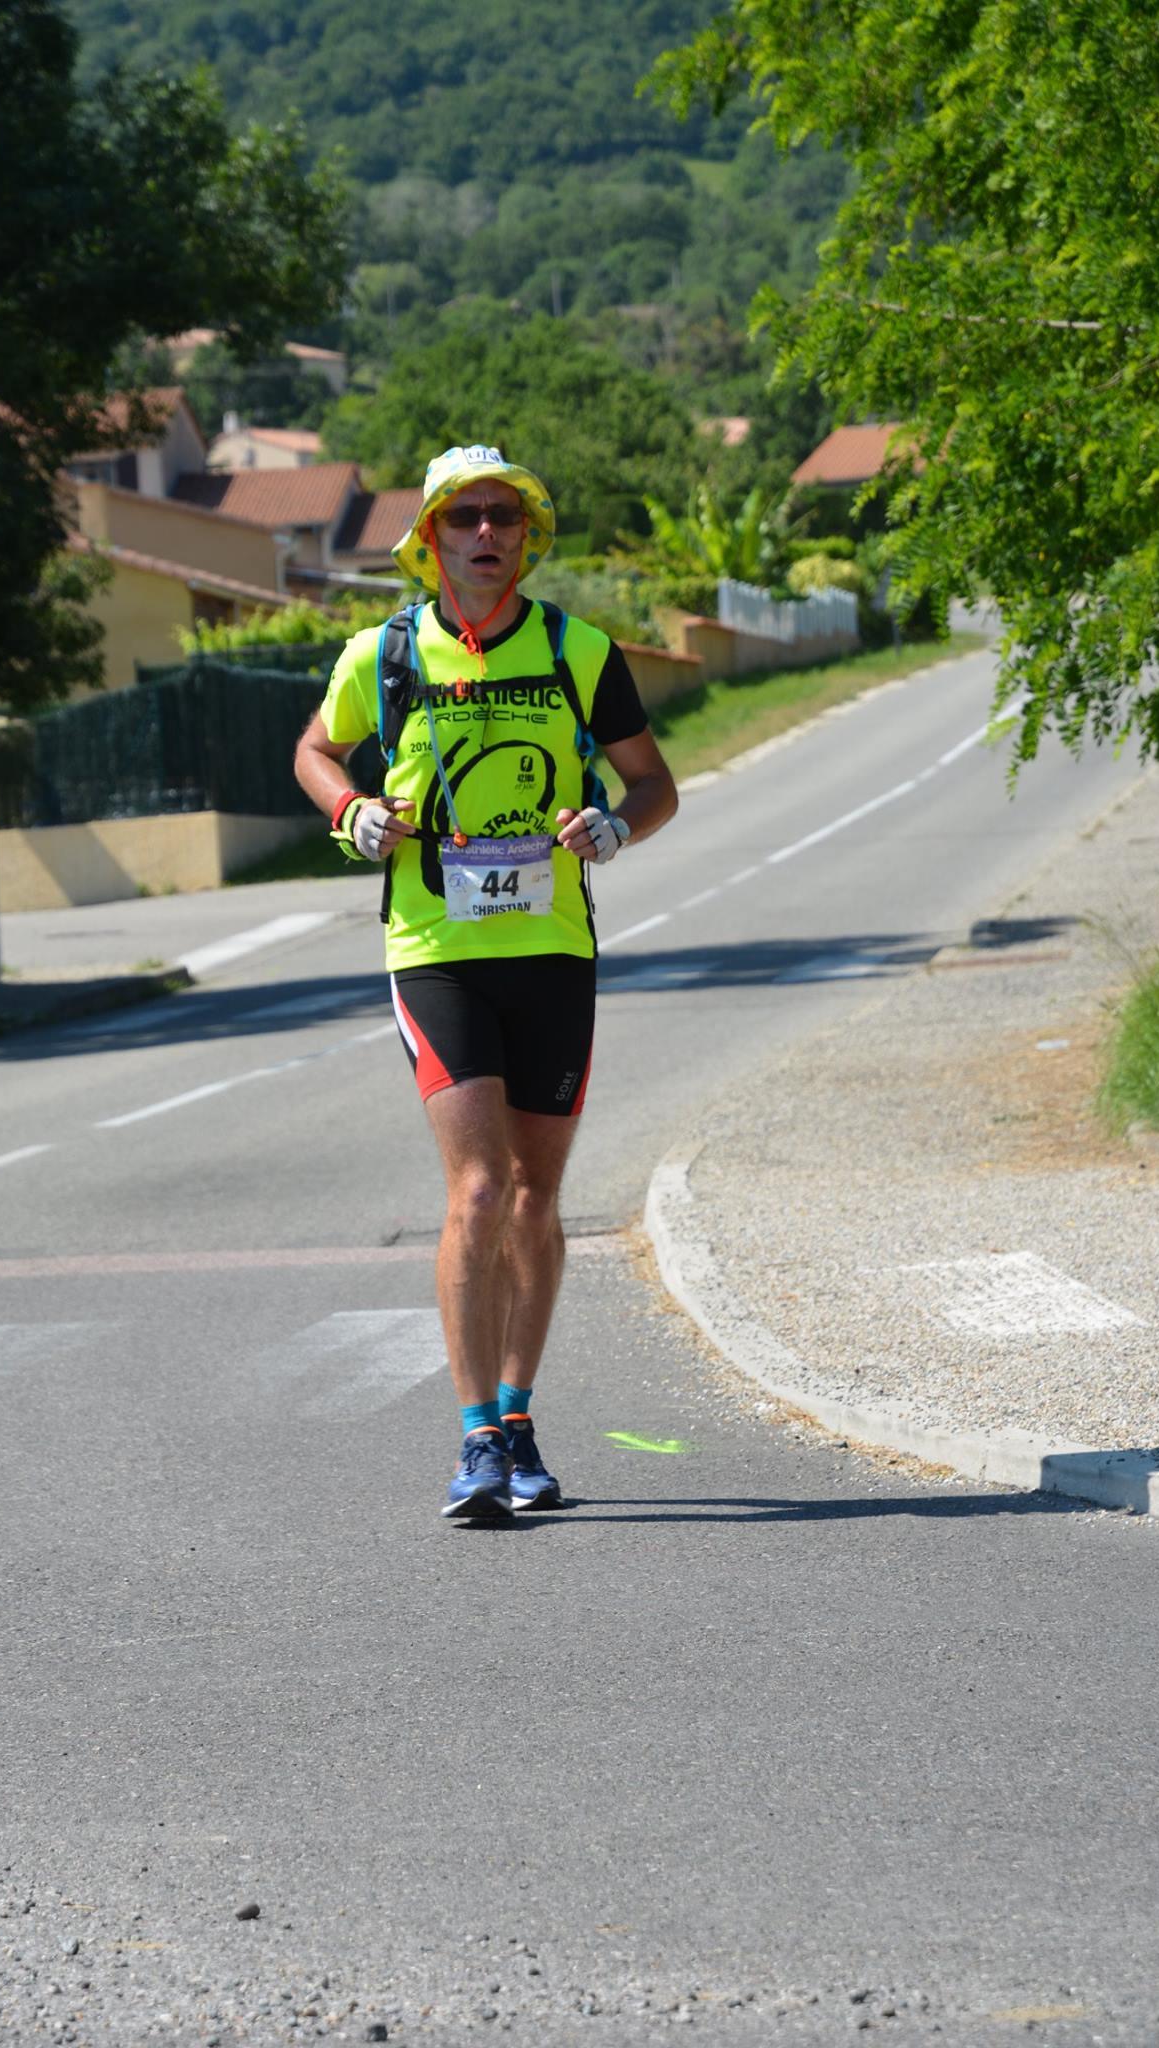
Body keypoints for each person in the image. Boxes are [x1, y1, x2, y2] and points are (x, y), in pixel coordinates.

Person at [295, 444, 677, 1520]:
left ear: (524, 534)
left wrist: (612, 825)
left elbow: (653, 783)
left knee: (535, 1196)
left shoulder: (576, 648)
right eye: (463, 518)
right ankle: (474, 1442)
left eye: (503, 516)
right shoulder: (383, 652)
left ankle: (516, 1417)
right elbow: (316, 751)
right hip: (434, 950)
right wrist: (350, 810)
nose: (484, 534)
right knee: (476, 1190)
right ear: (429, 538)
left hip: (552, 948)